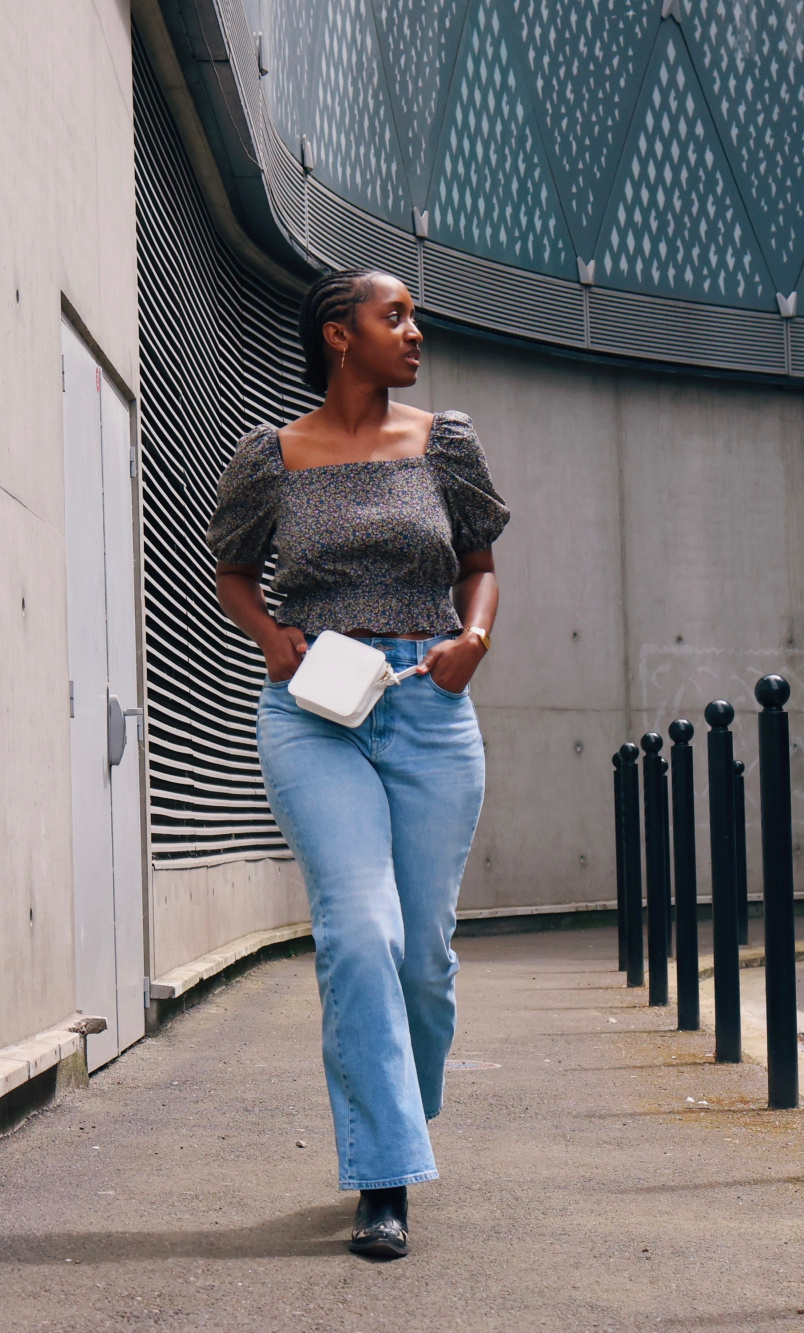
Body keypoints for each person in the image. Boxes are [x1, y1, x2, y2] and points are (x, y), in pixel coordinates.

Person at [207, 267, 509, 1258]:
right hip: (314, 712)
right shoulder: (274, 456)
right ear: (340, 336)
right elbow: (234, 574)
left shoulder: (444, 442)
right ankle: (386, 1175)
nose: (415, 331)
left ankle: (402, 1113)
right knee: (359, 929)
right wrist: (269, 636)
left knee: (421, 954)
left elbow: (481, 565)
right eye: (395, 316)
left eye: (414, 316)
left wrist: (474, 639)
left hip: (429, 701)